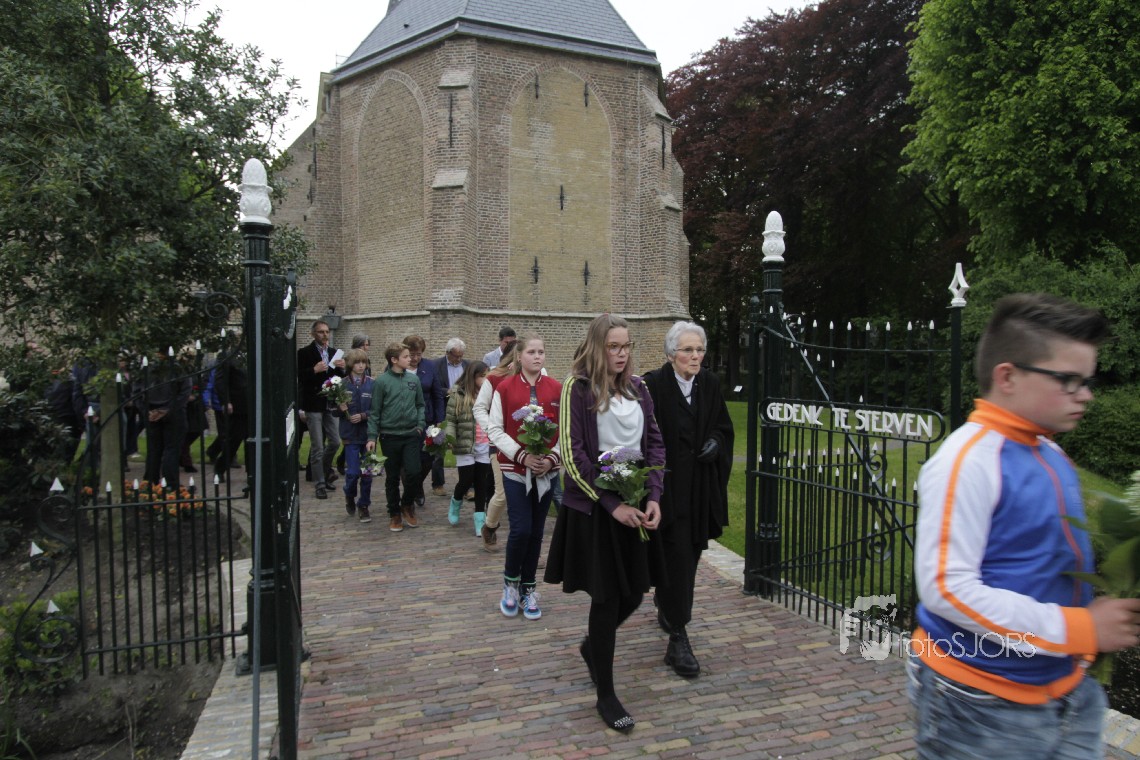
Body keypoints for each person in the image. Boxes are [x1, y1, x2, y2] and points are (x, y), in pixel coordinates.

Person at [910, 293, 1140, 759]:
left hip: (1065, 688)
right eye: (1068, 380)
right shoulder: (967, 461)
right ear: (1008, 377)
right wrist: (1081, 628)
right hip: (979, 698)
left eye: (1087, 381)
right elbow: (947, 589)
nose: (1086, 395)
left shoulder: (1049, 452)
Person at [544, 314, 665, 732]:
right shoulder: (577, 388)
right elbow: (573, 455)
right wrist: (612, 505)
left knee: (635, 592)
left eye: (627, 346)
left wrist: (654, 495)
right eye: (614, 346)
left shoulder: (639, 387)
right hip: (598, 510)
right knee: (608, 597)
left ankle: (592, 647)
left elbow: (655, 443)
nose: (622, 353)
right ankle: (606, 695)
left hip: (636, 503)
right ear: (598, 347)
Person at [644, 321, 734, 679]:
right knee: (675, 557)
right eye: (688, 350)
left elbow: (723, 427)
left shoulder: (709, 384)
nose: (695, 356)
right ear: (671, 354)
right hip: (665, 491)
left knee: (689, 555)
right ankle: (678, 638)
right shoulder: (653, 385)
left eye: (700, 350)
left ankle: (668, 605)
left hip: (698, 490)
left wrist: (716, 441)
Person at [485, 335, 561, 622]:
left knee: (537, 532)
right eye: (531, 352)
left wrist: (551, 459)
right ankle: (510, 584)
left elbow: (566, 429)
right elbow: (495, 429)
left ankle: (529, 588)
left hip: (546, 472)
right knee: (520, 530)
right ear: (519, 356)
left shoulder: (556, 388)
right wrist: (521, 455)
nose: (537, 356)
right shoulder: (504, 388)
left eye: (541, 351)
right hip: (515, 470)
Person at [366, 343, 426, 532]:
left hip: (411, 434)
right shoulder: (381, 382)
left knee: (414, 472)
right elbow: (375, 411)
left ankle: (406, 504)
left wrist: (420, 425)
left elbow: (420, 405)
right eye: (406, 356)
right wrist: (372, 436)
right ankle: (394, 513)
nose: (411, 359)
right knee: (392, 477)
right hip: (389, 436)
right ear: (394, 360)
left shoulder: (413, 380)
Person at [297, 319, 346, 500]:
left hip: (329, 403)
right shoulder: (304, 353)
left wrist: (342, 369)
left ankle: (324, 473)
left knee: (335, 442)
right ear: (313, 334)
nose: (325, 335)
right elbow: (299, 377)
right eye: (321, 332)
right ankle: (319, 484)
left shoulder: (333, 353)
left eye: (326, 331)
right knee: (317, 446)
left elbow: (337, 378)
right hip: (313, 404)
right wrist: (314, 370)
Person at [444, 361, 491, 535]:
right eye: (482, 376)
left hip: (484, 443)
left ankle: (480, 519)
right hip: (464, 443)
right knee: (466, 479)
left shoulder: (490, 394)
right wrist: (450, 437)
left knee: (481, 483)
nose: (485, 379)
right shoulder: (458, 394)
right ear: (473, 377)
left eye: (487, 376)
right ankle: (456, 501)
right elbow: (450, 420)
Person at [405, 335, 446, 507]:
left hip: (427, 419)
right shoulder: (398, 366)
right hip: (404, 420)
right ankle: (412, 490)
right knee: (408, 459)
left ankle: (417, 484)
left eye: (418, 354)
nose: (415, 358)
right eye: (411, 354)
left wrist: (440, 419)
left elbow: (438, 394)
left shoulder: (429, 367)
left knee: (428, 456)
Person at [335, 348, 374, 523]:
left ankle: (364, 505)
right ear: (350, 365)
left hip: (368, 436)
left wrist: (364, 415)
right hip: (350, 435)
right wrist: (340, 408)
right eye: (357, 363)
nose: (360, 366)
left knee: (367, 473)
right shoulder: (341, 385)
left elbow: (377, 410)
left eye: (363, 362)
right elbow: (331, 409)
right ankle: (349, 494)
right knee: (352, 473)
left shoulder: (372, 384)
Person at [431, 338, 468, 495]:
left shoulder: (468, 365)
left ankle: (467, 486)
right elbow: (432, 388)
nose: (458, 359)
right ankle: (438, 484)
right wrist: (447, 391)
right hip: (442, 410)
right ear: (448, 353)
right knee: (439, 449)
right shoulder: (435, 365)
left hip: (463, 412)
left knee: (464, 449)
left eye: (461, 356)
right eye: (455, 356)